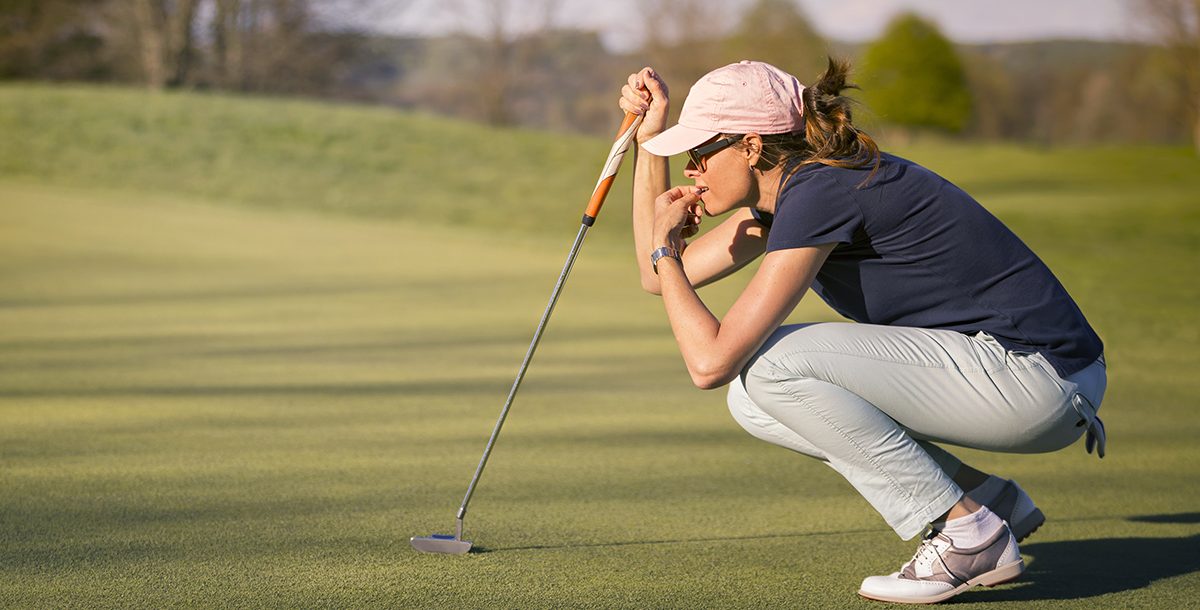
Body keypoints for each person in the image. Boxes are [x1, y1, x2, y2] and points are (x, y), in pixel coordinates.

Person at [617, 59, 1107, 604]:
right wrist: (650, 137)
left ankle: (969, 534)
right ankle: (986, 498)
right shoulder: (790, 195)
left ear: (752, 147)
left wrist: (668, 247)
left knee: (770, 366)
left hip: (1038, 380)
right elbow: (654, 275)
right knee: (752, 401)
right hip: (1021, 377)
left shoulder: (821, 191)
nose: (692, 169)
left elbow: (709, 361)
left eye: (701, 153)